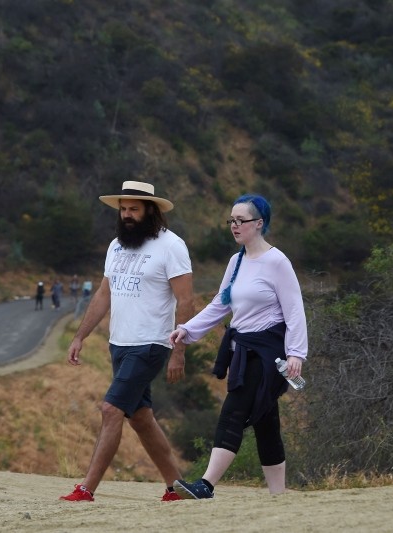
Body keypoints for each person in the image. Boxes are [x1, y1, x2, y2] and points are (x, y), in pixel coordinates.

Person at [60, 180, 194, 503]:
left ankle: (86, 489)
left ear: (151, 210)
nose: (127, 215)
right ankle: (176, 488)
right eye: (123, 209)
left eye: (133, 209)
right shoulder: (116, 246)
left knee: (111, 409)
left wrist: (179, 351)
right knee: (141, 417)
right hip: (119, 344)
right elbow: (104, 294)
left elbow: (186, 302)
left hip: (151, 344)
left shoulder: (171, 246)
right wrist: (80, 335)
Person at [169, 193, 308, 499]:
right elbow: (221, 304)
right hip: (242, 350)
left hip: (268, 353)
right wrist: (187, 330)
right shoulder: (236, 261)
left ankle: (205, 485)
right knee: (265, 421)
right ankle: (279, 494)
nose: (234, 225)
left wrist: (296, 353)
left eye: (241, 220)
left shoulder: (277, 262)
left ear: (259, 224)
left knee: (234, 412)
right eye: (231, 220)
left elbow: (294, 309)